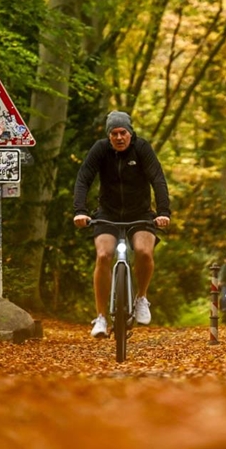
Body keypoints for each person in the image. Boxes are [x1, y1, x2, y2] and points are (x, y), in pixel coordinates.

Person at [73, 111, 171, 338]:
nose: (119, 138)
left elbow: (158, 179)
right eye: (114, 134)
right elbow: (84, 178)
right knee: (104, 255)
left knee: (144, 252)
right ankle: (101, 317)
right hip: (108, 213)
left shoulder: (142, 149)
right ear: (108, 136)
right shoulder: (100, 150)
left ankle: (141, 298)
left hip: (141, 213)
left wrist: (164, 212)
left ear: (130, 133)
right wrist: (80, 211)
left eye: (123, 133)